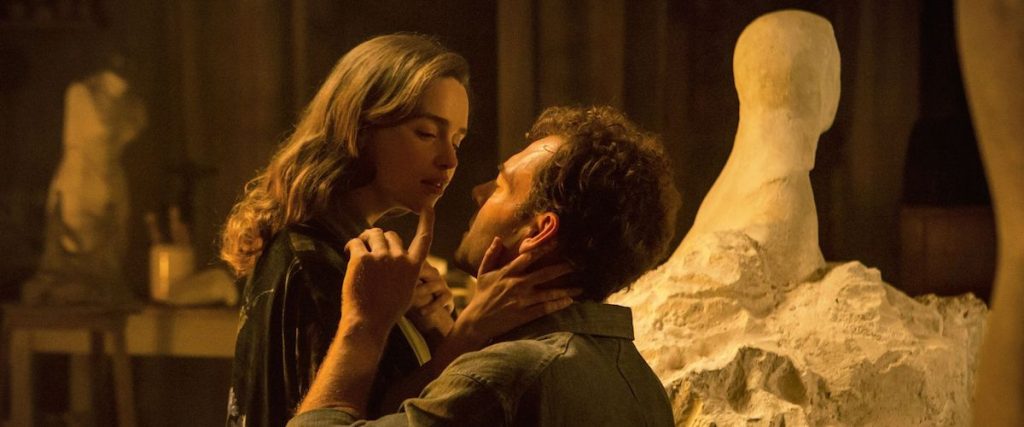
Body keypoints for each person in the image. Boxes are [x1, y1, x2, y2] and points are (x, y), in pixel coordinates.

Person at [222, 34, 576, 427]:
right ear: (360, 128)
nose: (449, 160)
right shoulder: (313, 262)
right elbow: (338, 419)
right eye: (427, 133)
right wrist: (467, 335)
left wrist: (438, 330)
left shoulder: (359, 254)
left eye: (457, 140)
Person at [289, 105, 681, 426]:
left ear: (539, 230)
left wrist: (364, 325)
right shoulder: (644, 388)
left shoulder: (503, 379)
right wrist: (455, 341)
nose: (478, 193)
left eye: (501, 186)